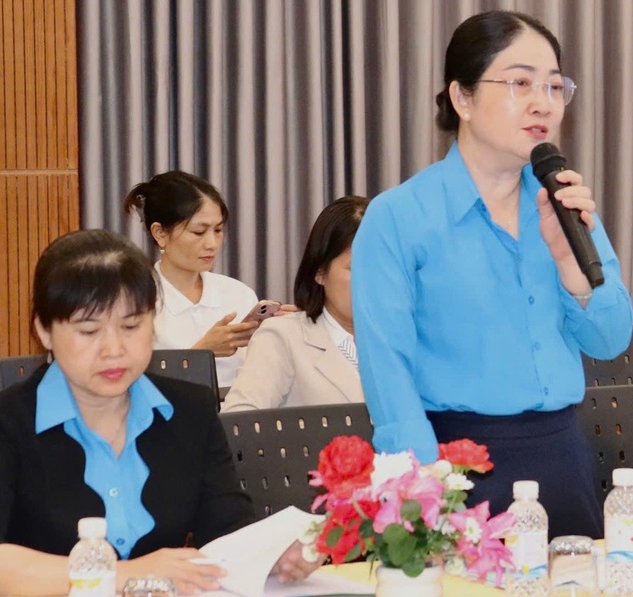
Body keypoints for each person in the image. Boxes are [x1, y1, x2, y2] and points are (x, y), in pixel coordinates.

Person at [352, 10, 633, 538]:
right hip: (456, 469)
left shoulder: (563, 204)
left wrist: (569, 264)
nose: (543, 102)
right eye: (520, 83)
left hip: (562, 457)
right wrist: (423, 500)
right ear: (462, 98)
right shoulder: (399, 217)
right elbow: (389, 376)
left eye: (554, 86)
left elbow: (611, 339)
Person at [0, 230, 319, 595]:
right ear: (44, 331)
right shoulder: (9, 422)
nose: (114, 349)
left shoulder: (189, 411)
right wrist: (126, 574)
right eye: (88, 331)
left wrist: (271, 554)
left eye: (131, 326)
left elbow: (227, 529)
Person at [124, 171, 294, 388]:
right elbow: (129, 386)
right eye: (198, 232)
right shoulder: (134, 301)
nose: (212, 244)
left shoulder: (238, 294)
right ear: (160, 233)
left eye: (218, 230)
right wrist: (202, 353)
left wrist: (284, 334)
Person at [223, 196, 368, 411]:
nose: (372, 280)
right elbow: (239, 418)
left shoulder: (408, 336)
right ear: (320, 272)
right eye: (357, 268)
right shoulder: (284, 336)